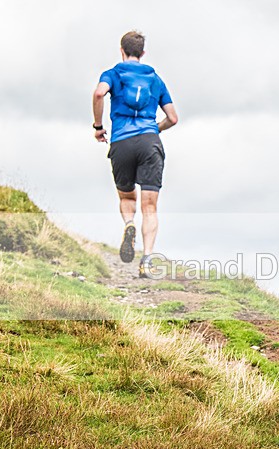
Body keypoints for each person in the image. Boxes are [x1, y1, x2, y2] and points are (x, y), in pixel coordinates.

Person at [92, 30, 178, 277]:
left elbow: (99, 93)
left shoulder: (113, 73)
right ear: (142, 53)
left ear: (121, 50)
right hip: (149, 142)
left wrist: (98, 127)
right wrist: (154, 129)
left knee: (127, 198)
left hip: (122, 142)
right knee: (150, 207)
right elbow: (173, 118)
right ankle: (148, 259)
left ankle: (128, 225)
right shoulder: (155, 79)